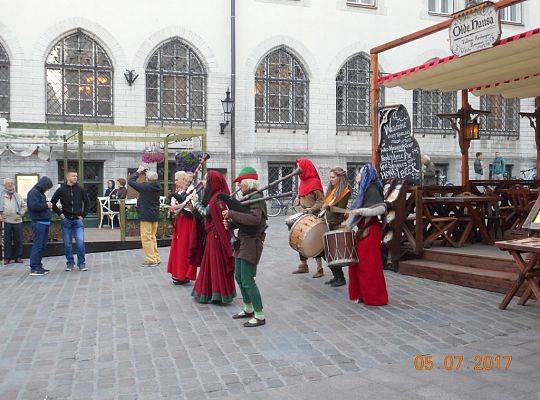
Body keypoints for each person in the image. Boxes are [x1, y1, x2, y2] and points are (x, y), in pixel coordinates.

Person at [223, 167, 268, 327]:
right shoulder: (250, 196)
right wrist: (231, 222)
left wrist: (232, 215)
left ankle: (260, 315)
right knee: (239, 277)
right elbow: (245, 219)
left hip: (252, 242)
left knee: (248, 280)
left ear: (247, 182)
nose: (239, 187)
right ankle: (248, 308)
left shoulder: (256, 197)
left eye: (240, 183)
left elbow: (255, 220)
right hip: (243, 240)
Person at [344, 164, 388, 306]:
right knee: (359, 265)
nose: (357, 176)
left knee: (369, 265)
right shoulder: (365, 189)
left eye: (360, 173)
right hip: (363, 231)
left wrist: (361, 211)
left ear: (366, 175)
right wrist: (348, 225)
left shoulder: (373, 187)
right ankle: (362, 294)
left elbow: (381, 208)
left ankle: (375, 297)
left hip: (371, 230)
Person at [191, 170, 236, 304]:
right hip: (214, 235)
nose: (203, 182)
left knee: (216, 264)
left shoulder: (216, 199)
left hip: (215, 237)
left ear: (212, 182)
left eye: (205, 179)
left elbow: (205, 213)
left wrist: (196, 203)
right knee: (212, 264)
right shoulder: (218, 197)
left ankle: (218, 293)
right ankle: (214, 292)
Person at [51, 171, 90, 271]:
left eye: (76, 176)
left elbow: (87, 203)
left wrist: (83, 215)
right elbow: (53, 203)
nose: (75, 177)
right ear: (68, 177)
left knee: (80, 242)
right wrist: (61, 214)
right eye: (73, 176)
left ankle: (81, 264)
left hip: (78, 220)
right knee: (67, 244)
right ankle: (70, 263)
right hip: (66, 220)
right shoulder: (61, 190)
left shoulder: (81, 189)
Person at [292, 158, 325, 278]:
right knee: (298, 239)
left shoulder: (315, 182)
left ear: (306, 167)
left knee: (314, 240)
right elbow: (303, 195)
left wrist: (311, 209)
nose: (298, 169)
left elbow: (321, 201)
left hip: (313, 215)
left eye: (299, 167)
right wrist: (298, 199)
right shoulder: (303, 181)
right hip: (303, 214)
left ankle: (319, 268)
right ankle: (303, 265)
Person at [321, 167, 351, 287]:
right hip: (329, 223)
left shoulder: (345, 191)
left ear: (340, 177)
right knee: (326, 252)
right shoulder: (332, 190)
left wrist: (328, 207)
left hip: (337, 225)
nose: (331, 179)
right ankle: (336, 275)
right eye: (330, 177)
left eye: (333, 177)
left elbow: (341, 210)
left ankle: (341, 278)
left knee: (334, 252)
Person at [166, 171, 197, 285]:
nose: (175, 182)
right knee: (178, 247)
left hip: (187, 221)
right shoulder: (180, 190)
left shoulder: (191, 190)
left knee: (184, 248)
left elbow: (188, 204)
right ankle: (178, 273)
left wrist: (174, 207)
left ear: (182, 179)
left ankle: (184, 275)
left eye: (176, 179)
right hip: (180, 220)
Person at [128, 166, 162, 267]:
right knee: (152, 237)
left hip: (146, 215)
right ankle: (156, 257)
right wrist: (147, 172)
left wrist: (138, 171)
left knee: (146, 238)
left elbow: (131, 182)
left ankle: (151, 259)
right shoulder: (157, 185)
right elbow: (152, 178)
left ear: (147, 179)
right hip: (154, 215)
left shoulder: (146, 187)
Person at [27, 176, 54, 276]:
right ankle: (34, 267)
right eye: (47, 187)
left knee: (42, 245)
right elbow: (34, 206)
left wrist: (46, 204)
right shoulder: (33, 192)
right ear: (44, 184)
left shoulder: (40, 193)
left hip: (44, 222)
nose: (47, 189)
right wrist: (46, 205)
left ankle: (38, 265)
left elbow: (39, 204)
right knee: (38, 245)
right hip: (39, 223)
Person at [1, 179, 27, 264]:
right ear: (4, 185)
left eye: (11, 183)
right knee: (7, 240)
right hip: (6, 220)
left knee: (18, 239)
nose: (10, 185)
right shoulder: (1, 195)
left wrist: (21, 214)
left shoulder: (17, 195)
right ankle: (7, 258)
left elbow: (24, 206)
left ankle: (18, 257)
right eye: (8, 183)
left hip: (17, 220)